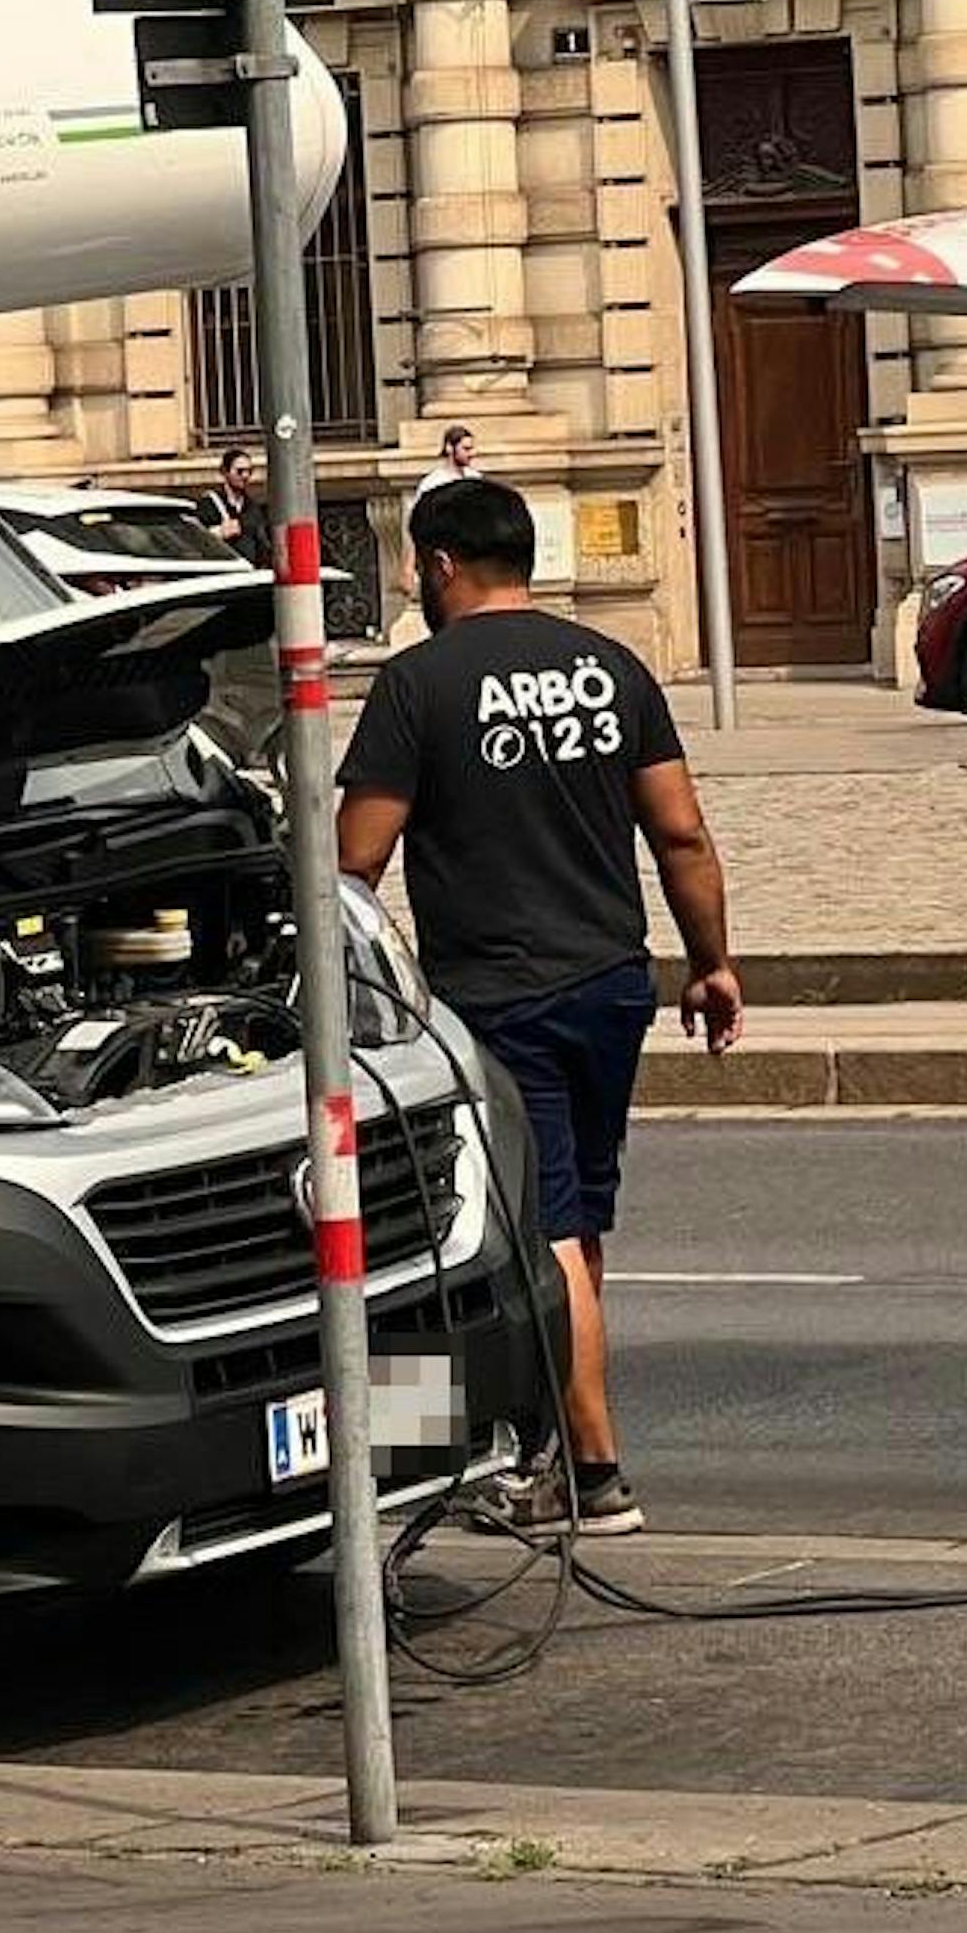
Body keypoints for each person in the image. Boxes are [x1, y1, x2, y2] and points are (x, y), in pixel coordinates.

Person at [337, 475, 742, 1536]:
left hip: (495, 996)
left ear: (436, 565)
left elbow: (353, 860)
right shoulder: (612, 667)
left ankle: (587, 1473)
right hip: (611, 982)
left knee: (497, 1229)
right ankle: (535, 1447)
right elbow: (683, 834)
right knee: (570, 1223)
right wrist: (712, 964)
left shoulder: (416, 684)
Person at [400, 423, 479, 601]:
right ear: (449, 448)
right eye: (466, 448)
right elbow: (416, 524)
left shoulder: (475, 479)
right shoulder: (433, 484)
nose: (471, 453)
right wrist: (408, 566)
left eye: (471, 448)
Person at [197, 444, 269, 566]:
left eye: (249, 471)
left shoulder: (253, 506)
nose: (245, 476)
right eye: (240, 471)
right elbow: (198, 541)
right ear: (225, 472)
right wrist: (219, 532)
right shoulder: (209, 503)